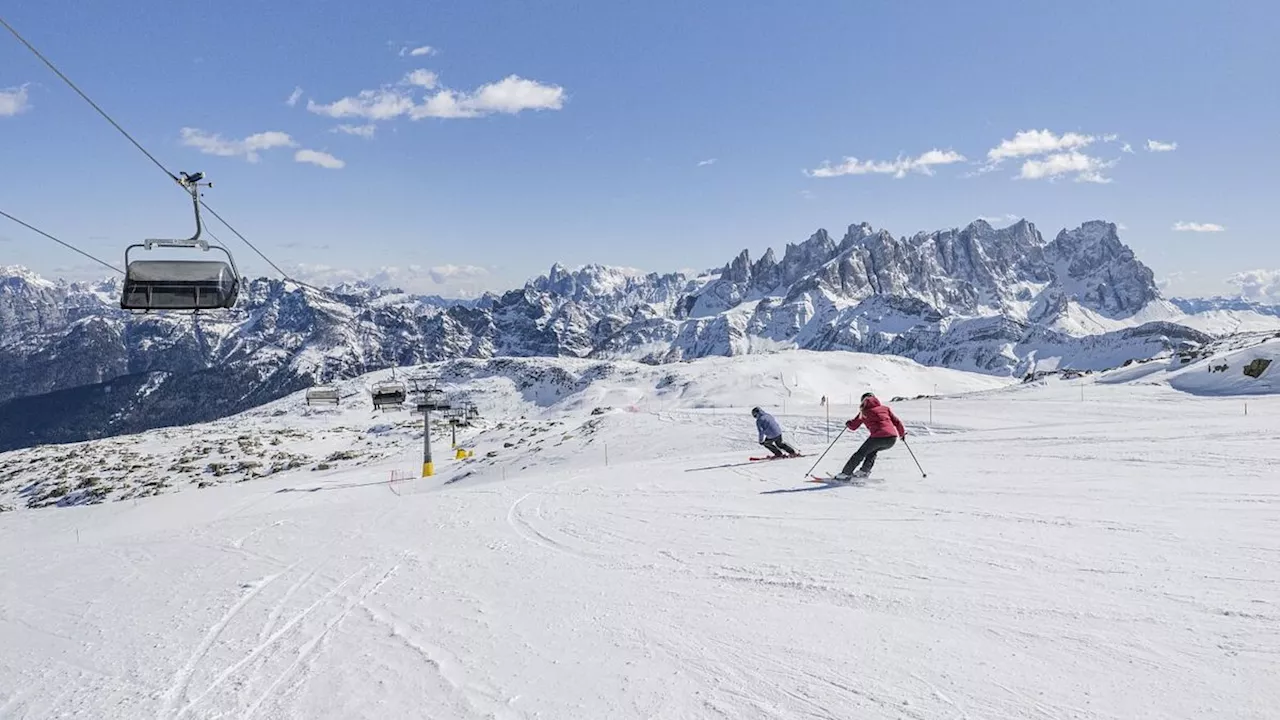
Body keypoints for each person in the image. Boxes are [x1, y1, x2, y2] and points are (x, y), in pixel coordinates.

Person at [835, 393, 905, 480]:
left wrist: (848, 423)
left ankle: (845, 473)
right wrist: (901, 434)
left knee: (860, 454)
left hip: (878, 438)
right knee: (872, 451)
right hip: (892, 439)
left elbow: (854, 426)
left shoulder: (864, 412)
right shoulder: (885, 409)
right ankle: (864, 472)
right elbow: (897, 422)